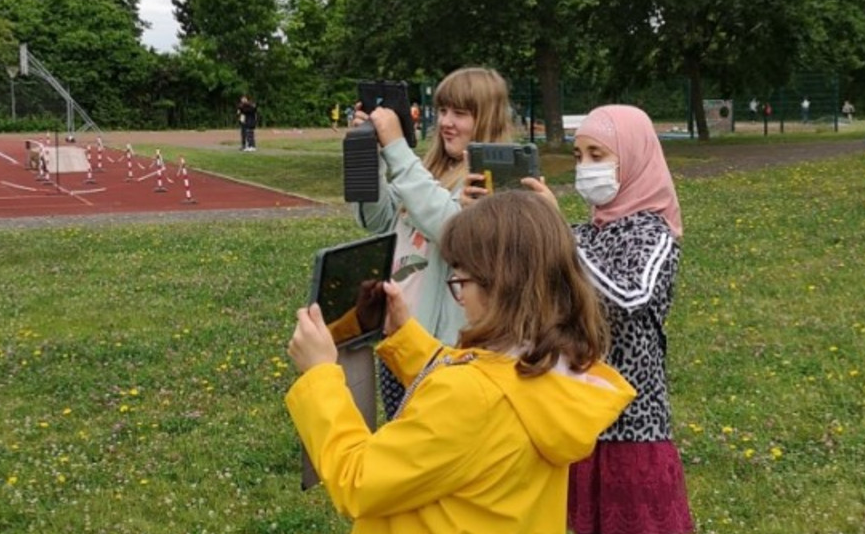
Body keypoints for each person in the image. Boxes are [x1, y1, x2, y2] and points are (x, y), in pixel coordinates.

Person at [285, 191, 636, 533]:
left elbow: (359, 481)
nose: (459, 297)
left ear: (500, 287)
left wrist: (320, 376)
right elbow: (485, 377)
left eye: (461, 281)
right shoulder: (551, 368)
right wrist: (403, 336)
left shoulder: (469, 397)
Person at [530, 105, 695, 534]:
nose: (585, 167)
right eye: (579, 155)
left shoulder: (654, 232)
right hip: (579, 422)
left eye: (598, 156)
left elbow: (628, 296)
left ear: (634, 158)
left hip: (634, 426)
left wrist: (560, 238)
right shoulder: (586, 233)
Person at [350, 67, 514, 417]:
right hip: (401, 338)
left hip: (445, 350)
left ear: (487, 118)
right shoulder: (429, 172)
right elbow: (376, 219)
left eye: (460, 113)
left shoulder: (492, 181)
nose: (446, 123)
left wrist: (396, 147)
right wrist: (367, 156)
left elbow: (450, 230)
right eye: (442, 111)